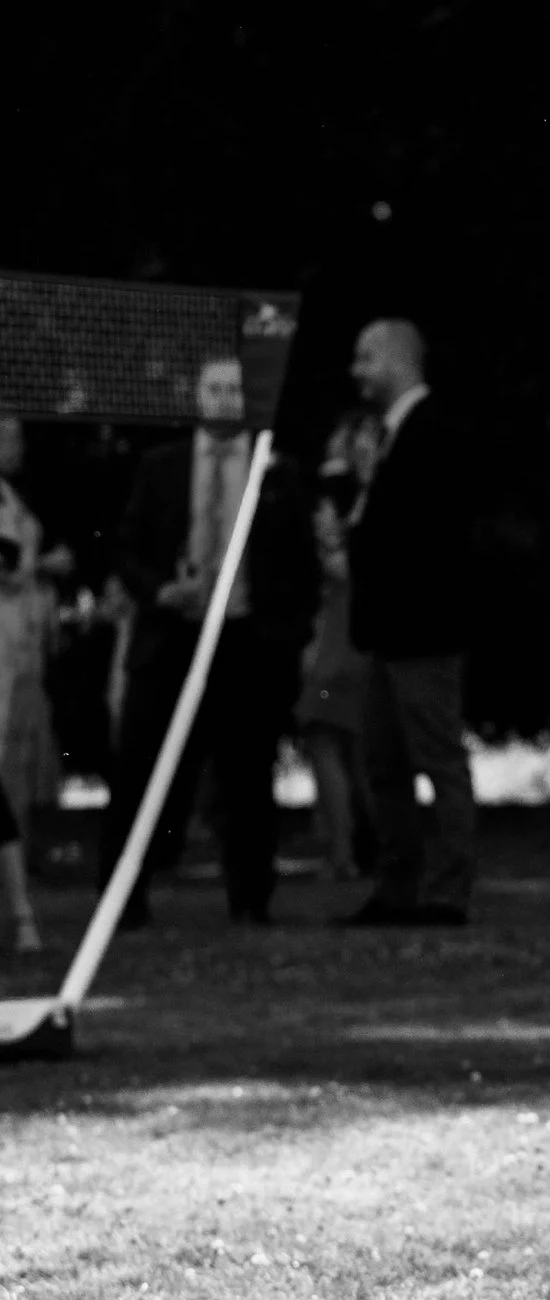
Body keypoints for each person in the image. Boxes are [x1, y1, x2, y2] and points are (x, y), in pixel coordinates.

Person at [103, 356, 319, 927]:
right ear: (197, 397)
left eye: (234, 390)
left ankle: (251, 899)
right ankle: (123, 898)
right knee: (141, 768)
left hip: (247, 643)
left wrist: (288, 639)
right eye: (213, 389)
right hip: (170, 640)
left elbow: (301, 566)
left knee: (247, 773)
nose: (224, 399)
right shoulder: (161, 467)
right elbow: (126, 550)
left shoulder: (279, 471)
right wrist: (160, 592)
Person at [337, 318, 478, 928]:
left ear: (394, 360)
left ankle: (446, 892)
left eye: (365, 358)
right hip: (386, 634)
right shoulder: (390, 436)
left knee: (437, 760)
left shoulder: (435, 431)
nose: (356, 371)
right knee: (384, 766)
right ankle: (396, 889)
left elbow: (428, 538)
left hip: (423, 633)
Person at [296, 414, 379, 881]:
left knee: (327, 743)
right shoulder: (370, 490)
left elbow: (335, 563)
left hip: (337, 641)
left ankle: (344, 852)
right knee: (357, 749)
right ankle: (365, 848)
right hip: (358, 640)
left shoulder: (332, 492)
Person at [0, 410, 63, 935]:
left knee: (13, 768)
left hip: (20, 648)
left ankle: (17, 906)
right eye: (9, 435)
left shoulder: (12, 500)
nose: (16, 445)